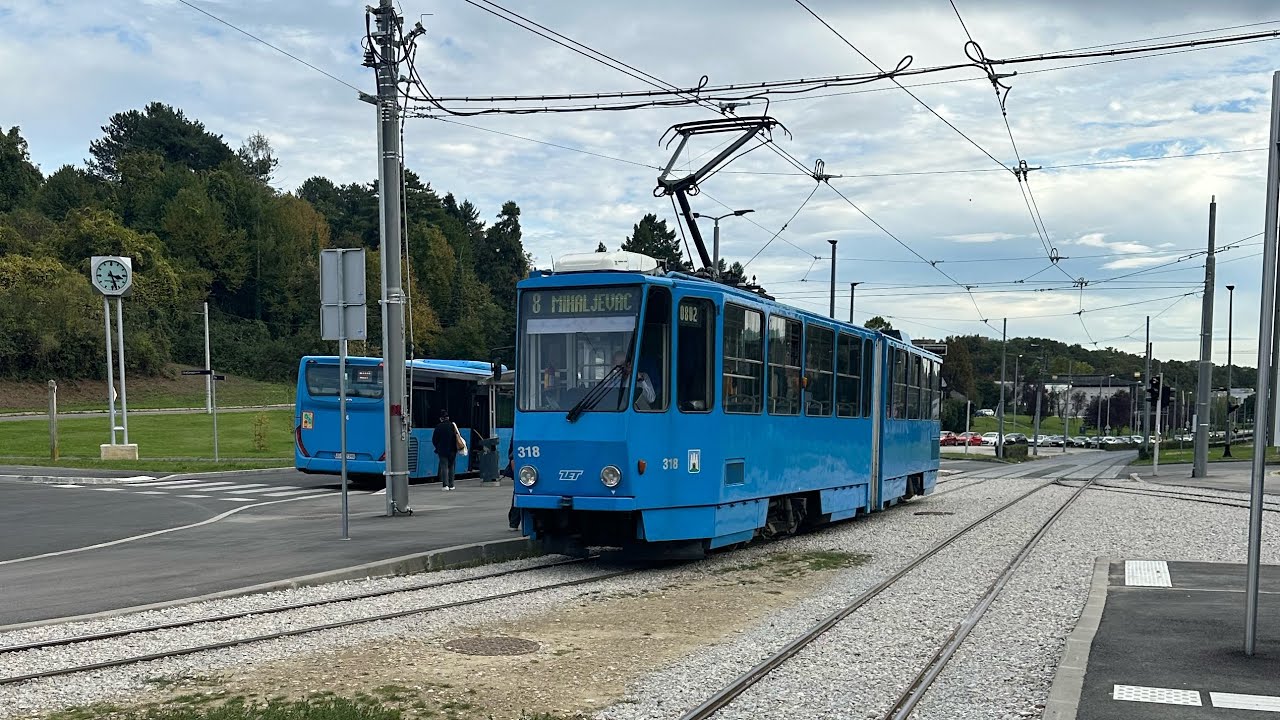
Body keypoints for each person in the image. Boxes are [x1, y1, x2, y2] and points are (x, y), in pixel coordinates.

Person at [432, 410, 461, 490]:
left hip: (442, 450)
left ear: (441, 418)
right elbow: (457, 437)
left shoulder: (438, 427)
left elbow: (434, 439)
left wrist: (438, 447)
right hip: (452, 450)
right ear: (448, 418)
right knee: (451, 466)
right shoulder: (453, 426)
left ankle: (445, 485)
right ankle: (452, 485)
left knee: (444, 467)